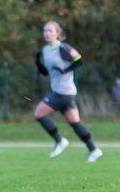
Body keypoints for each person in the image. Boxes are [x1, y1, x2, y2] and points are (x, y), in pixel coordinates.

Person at [33, 22, 102, 162]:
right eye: (45, 31)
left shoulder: (63, 47)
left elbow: (79, 60)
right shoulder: (45, 50)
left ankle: (59, 141)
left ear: (57, 33)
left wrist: (64, 70)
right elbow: (47, 73)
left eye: (50, 31)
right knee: (75, 123)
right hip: (65, 92)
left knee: (38, 113)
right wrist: (38, 63)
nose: (47, 33)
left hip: (63, 92)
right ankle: (94, 149)